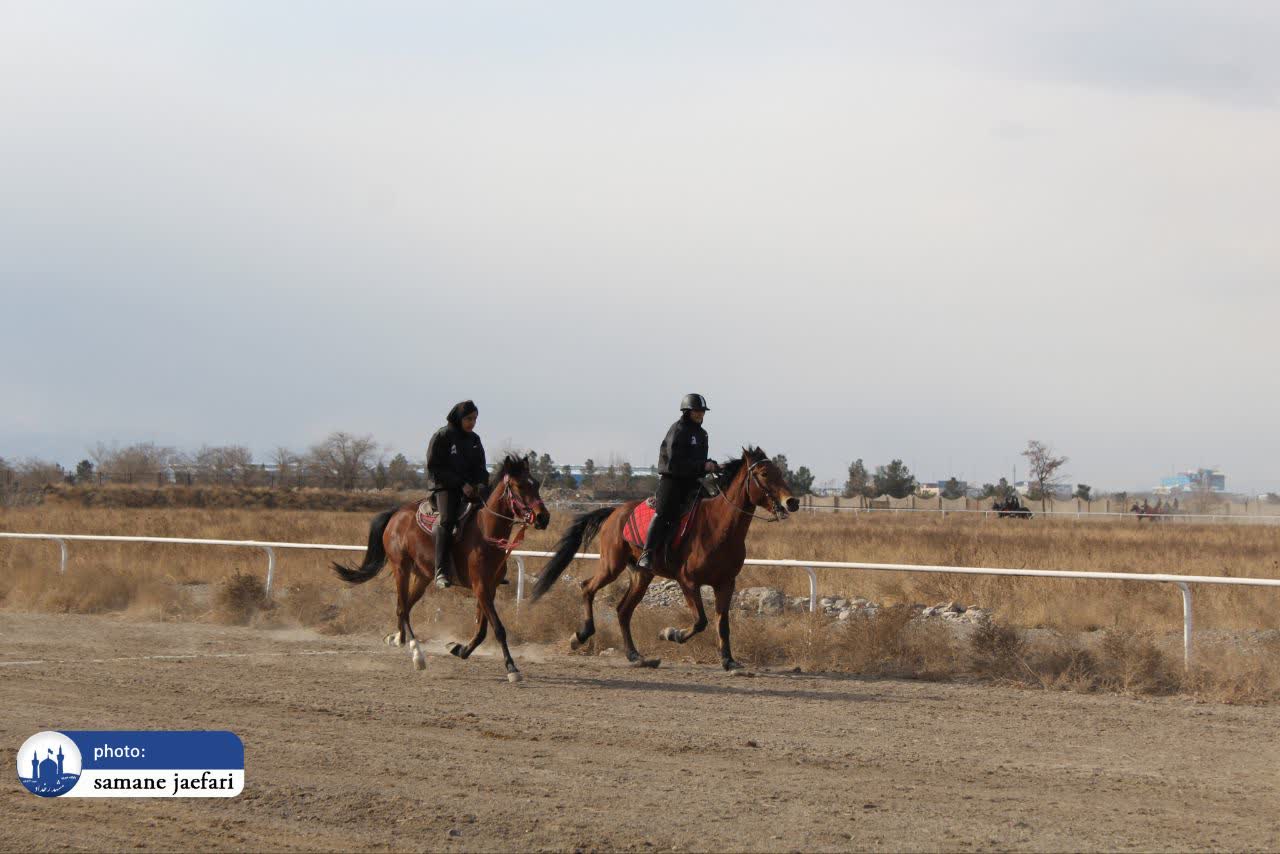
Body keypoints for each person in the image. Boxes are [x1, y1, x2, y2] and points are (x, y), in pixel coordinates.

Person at [637, 394, 719, 570]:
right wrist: (702, 466)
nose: (701, 414)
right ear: (687, 411)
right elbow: (675, 462)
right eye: (697, 411)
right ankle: (647, 553)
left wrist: (711, 465)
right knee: (663, 512)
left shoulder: (702, 434)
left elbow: (698, 461)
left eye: (703, 411)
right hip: (672, 480)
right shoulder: (678, 430)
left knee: (711, 506)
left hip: (692, 482)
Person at [425, 400, 488, 588]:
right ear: (458, 418)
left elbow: (481, 467)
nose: (472, 423)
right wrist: (461, 484)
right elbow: (434, 466)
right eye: (469, 419)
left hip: (470, 487)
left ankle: (492, 568)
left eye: (475, 419)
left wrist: (480, 484)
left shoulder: (475, 440)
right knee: (447, 521)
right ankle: (441, 571)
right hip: (444, 486)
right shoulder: (443, 435)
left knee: (490, 516)